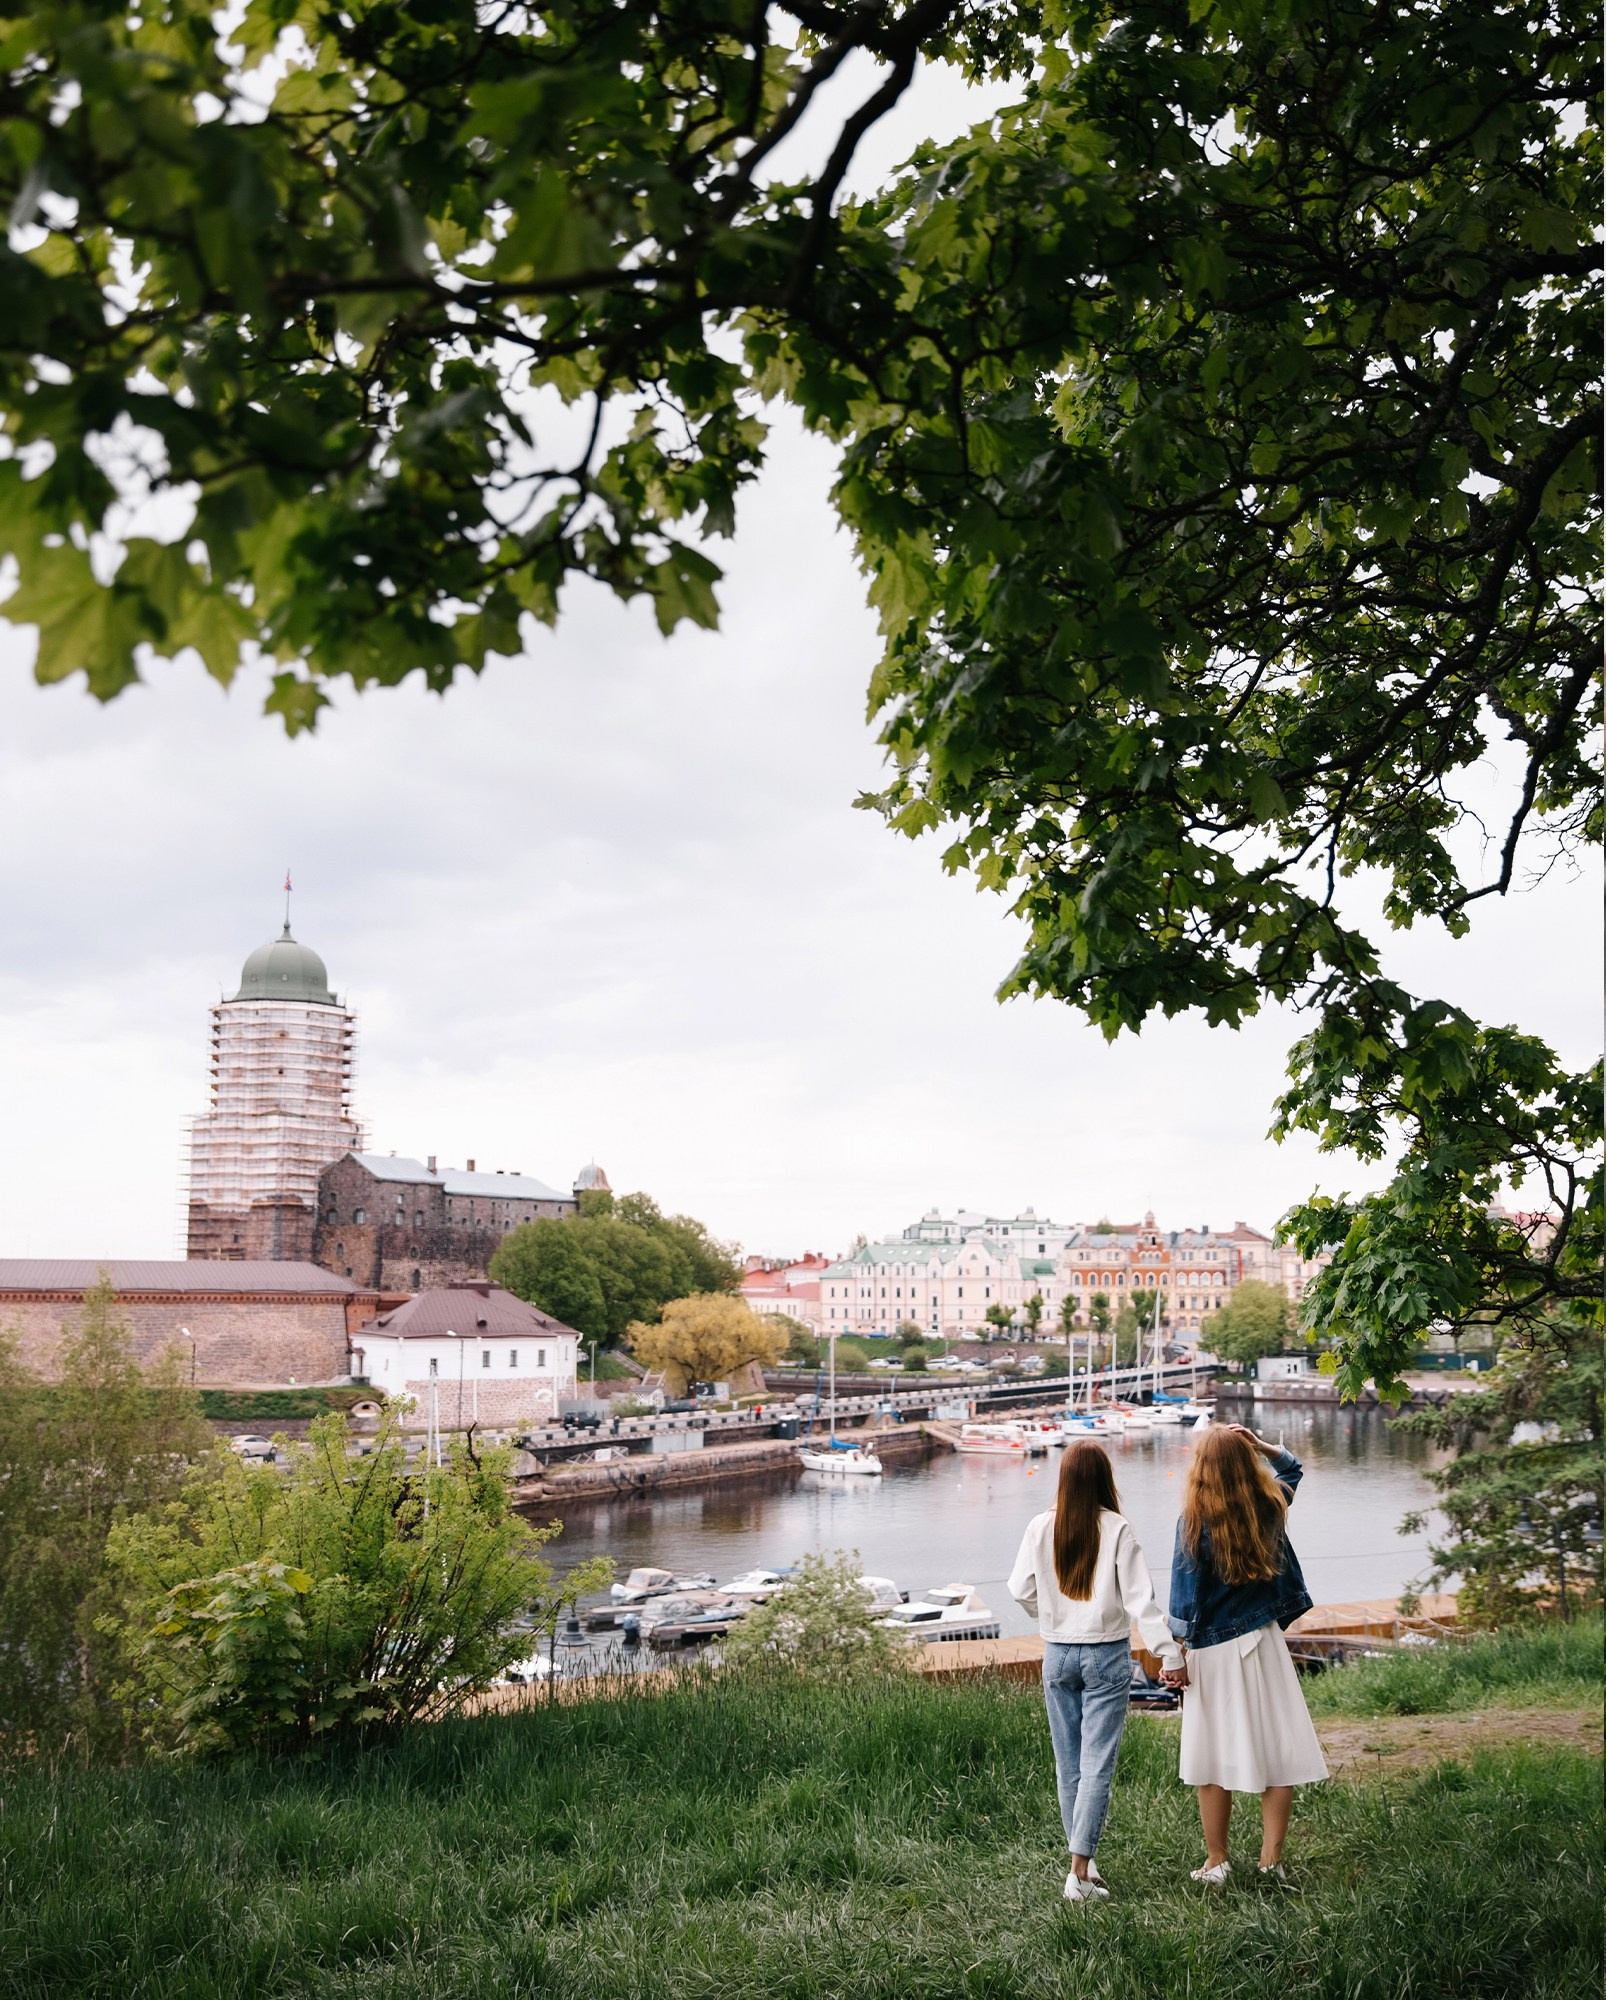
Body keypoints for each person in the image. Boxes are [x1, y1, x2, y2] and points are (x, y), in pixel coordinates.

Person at [1009, 1439, 1183, 1904]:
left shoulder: (1041, 1526)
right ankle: (1079, 1873)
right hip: (1105, 1655)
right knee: (1096, 1766)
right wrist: (1170, 1655)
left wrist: (1048, 1615)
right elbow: (1141, 1604)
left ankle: (1082, 1866)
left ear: (1064, 1479)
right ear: (1105, 1479)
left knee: (1069, 1766)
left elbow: (1020, 1588)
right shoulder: (1118, 1528)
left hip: (1058, 1654)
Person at [1164, 1423, 1328, 1887]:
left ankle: (1217, 1861)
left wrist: (1177, 1653)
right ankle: (1270, 1861)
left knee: (1210, 1759)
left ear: (1201, 1470)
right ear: (1246, 1462)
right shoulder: (1269, 1505)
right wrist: (1263, 1446)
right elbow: (1293, 1470)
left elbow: (1185, 1603)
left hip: (1212, 1649)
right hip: (1265, 1644)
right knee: (1278, 1747)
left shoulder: (1192, 1523)